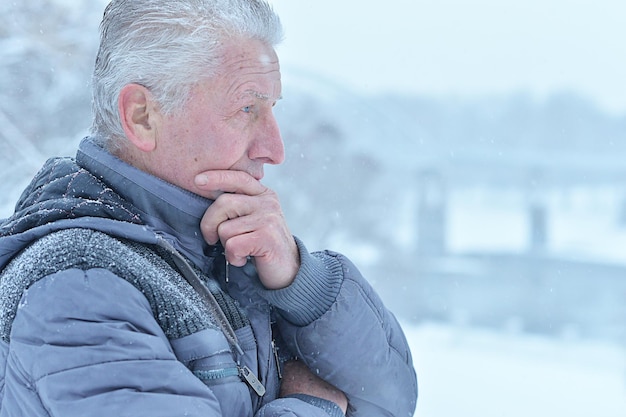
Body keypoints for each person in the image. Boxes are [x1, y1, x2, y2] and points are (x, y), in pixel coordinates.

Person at [0, 0, 417, 416]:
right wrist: (315, 407)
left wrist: (299, 282)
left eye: (273, 109)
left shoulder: (225, 250)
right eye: (246, 109)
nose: (274, 150)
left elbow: (389, 400)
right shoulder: (80, 286)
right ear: (142, 116)